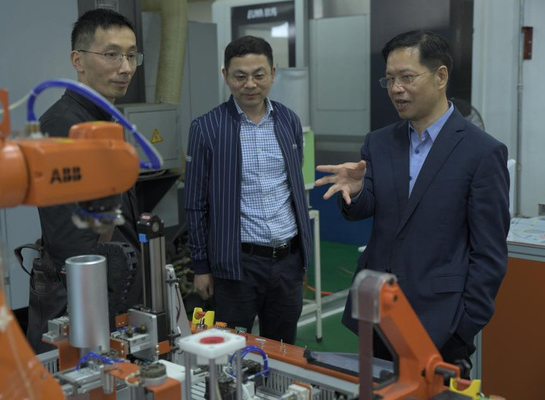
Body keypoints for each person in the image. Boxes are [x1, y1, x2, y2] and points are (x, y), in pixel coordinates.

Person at [315, 30, 510, 376]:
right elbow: (366, 208)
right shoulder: (378, 143)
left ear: (440, 76)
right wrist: (357, 191)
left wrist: (463, 326)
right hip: (377, 314)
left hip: (441, 321)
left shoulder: (481, 152)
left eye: (406, 77)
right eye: (389, 79)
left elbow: (489, 253)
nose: (396, 89)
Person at [27, 8, 144, 353]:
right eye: (112, 55)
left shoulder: (105, 120)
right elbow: (71, 242)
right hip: (82, 299)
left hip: (110, 290)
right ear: (78, 60)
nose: (125, 67)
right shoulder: (61, 127)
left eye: (131, 55)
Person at [184, 36, 312, 344]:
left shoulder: (289, 121)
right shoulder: (207, 128)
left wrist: (302, 258)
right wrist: (201, 266)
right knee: (230, 350)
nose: (250, 84)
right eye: (240, 76)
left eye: (259, 74)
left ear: (273, 73)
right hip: (236, 264)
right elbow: (195, 203)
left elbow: (293, 187)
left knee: (283, 349)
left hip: (288, 260)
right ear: (226, 75)